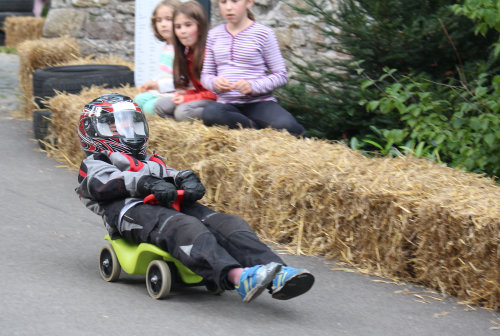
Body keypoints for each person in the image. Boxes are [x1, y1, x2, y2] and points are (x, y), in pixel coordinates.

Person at [76, 93, 314, 303]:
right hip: (131, 213)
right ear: (94, 132)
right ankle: (238, 277)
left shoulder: (150, 161)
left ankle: (276, 273)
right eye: (118, 128)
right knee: (184, 227)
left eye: (131, 126)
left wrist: (187, 180)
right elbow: (104, 185)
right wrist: (146, 183)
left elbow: (170, 174)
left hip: (169, 205)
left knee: (226, 223)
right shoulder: (95, 165)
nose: (128, 133)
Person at [200, 0, 305, 136]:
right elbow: (206, 75)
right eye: (223, 2)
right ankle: (255, 132)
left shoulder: (264, 33)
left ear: (249, 2)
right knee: (210, 113)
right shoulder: (214, 35)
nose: (229, 7)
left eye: (235, 1)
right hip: (227, 106)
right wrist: (215, 83)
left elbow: (281, 75)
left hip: (260, 103)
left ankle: (254, 130)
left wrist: (253, 86)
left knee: (287, 127)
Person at [152, 1, 216, 121]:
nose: (182, 31)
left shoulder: (208, 53)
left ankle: (215, 118)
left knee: (182, 112)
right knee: (161, 106)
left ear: (200, 26)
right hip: (198, 97)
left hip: (213, 100)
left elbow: (213, 93)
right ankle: (181, 124)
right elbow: (195, 87)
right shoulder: (186, 53)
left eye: (188, 25)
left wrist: (188, 99)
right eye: (178, 27)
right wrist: (186, 93)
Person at [135, 0, 180, 115]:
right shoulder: (167, 47)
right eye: (159, 20)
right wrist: (153, 81)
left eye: (168, 19)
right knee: (138, 101)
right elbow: (165, 73)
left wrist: (157, 85)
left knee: (149, 108)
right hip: (164, 90)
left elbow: (181, 81)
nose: (163, 24)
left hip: (177, 93)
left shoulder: (181, 49)